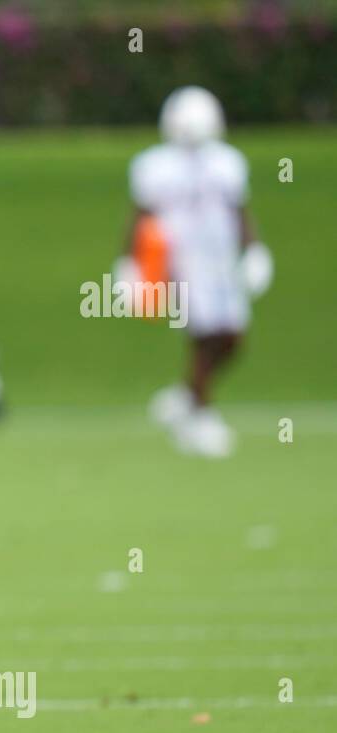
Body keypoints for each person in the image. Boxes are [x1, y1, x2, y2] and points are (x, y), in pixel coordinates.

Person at [127, 86, 271, 458]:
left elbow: (239, 211)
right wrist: (131, 264)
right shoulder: (153, 166)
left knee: (233, 337)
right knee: (203, 333)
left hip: (220, 261)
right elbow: (142, 218)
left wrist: (253, 249)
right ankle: (201, 416)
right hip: (181, 261)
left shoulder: (228, 162)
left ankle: (187, 395)